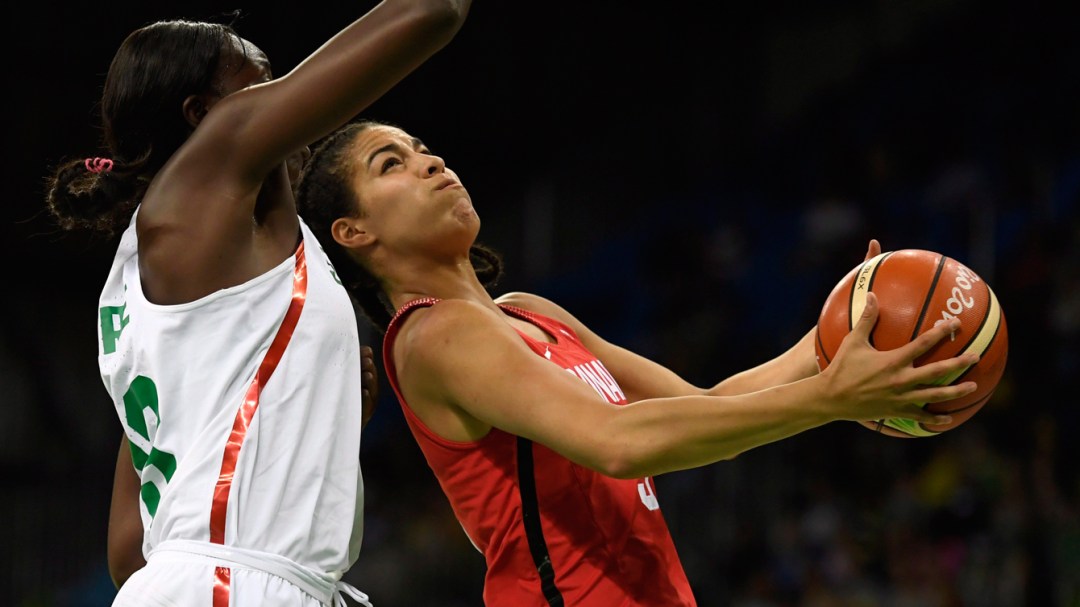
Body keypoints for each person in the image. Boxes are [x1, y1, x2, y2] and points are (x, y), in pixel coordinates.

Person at [293, 119, 981, 606]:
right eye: (392, 164)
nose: (431, 163)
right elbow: (617, 443)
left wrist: (834, 339)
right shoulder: (431, 336)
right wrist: (831, 397)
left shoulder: (532, 313)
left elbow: (705, 406)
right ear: (356, 233)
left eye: (424, 150)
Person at [43, 2, 472, 605]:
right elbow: (433, 12)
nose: (290, 101)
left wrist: (308, 422)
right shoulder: (211, 166)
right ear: (205, 114)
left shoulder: (151, 284)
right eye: (264, 81)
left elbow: (130, 551)